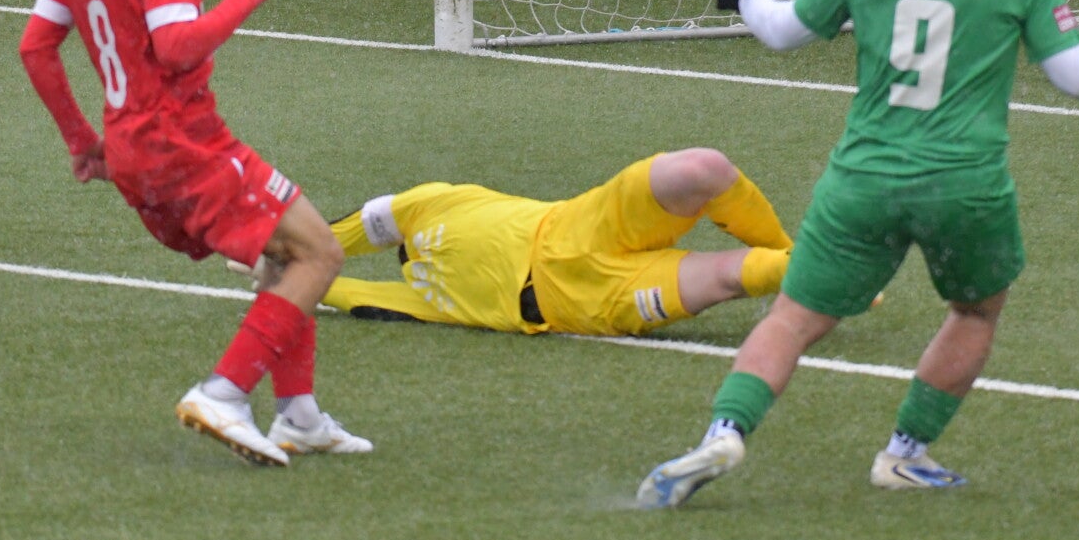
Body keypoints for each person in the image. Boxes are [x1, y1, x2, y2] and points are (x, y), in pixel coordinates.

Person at [636, 0, 1079, 509]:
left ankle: (724, 432)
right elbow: (1076, 76)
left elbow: (783, 32)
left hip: (864, 180)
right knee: (974, 314)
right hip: (963, 186)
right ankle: (904, 455)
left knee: (791, 318)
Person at [18, 0, 368, 467]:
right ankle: (225, 391)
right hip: (182, 143)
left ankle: (298, 415)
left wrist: (83, 141)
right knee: (322, 253)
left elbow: (36, 47)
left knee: (286, 247)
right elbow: (177, 47)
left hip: (132, 151)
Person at [318, 149, 799, 336]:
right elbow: (346, 293)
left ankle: (793, 250)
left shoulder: (427, 205)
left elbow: (346, 230)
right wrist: (292, 277)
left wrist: (286, 242)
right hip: (581, 301)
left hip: (575, 225)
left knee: (702, 168)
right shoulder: (423, 297)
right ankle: (819, 272)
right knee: (730, 276)